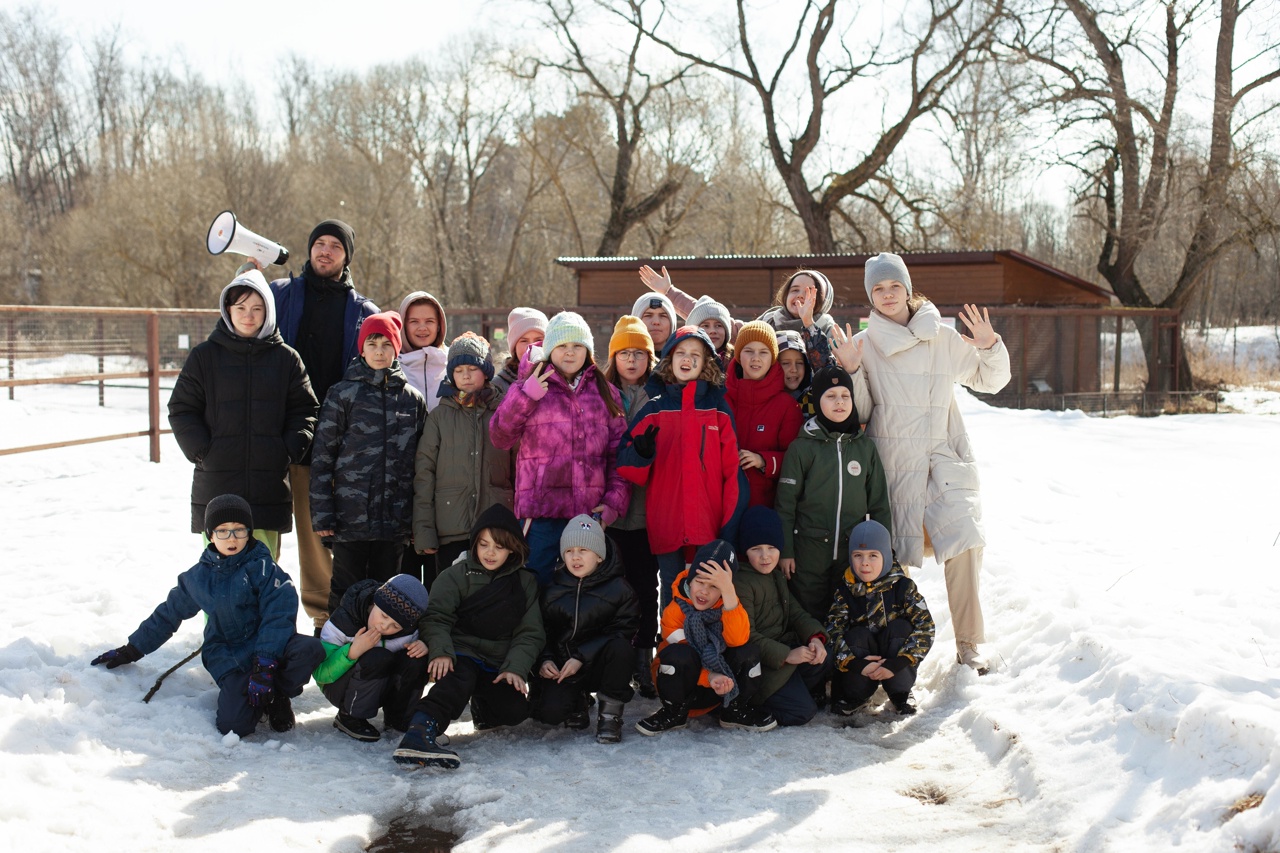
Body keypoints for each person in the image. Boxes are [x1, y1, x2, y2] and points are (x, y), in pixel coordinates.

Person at [843, 252, 1011, 672]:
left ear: (907, 288)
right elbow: (861, 411)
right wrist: (849, 371)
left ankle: (970, 643)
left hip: (942, 457)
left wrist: (990, 345)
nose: (887, 295)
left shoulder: (941, 335)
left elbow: (990, 380)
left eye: (894, 286)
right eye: (878, 289)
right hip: (894, 465)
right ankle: (892, 656)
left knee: (965, 540)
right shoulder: (864, 345)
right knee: (892, 562)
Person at [91, 495, 324, 736]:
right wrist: (132, 649)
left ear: (249, 533)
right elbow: (168, 614)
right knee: (234, 726)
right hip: (229, 654)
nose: (231, 538)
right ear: (210, 535)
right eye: (223, 531)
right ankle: (253, 698)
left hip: (270, 649)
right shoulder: (199, 578)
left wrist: (265, 664)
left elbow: (278, 617)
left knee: (310, 649)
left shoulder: (266, 570)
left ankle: (277, 695)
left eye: (239, 530)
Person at [265, 219, 379, 631]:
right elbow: (239, 314)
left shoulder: (362, 312)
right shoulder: (281, 295)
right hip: (274, 436)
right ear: (309, 249)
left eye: (335, 245)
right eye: (319, 243)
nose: (325, 251)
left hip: (328, 443)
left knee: (318, 539)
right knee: (265, 532)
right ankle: (261, 615)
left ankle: (324, 618)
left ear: (347, 256)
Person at [168, 268, 318, 558]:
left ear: (268, 311)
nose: (248, 315)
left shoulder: (286, 359)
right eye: (241, 307)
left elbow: (306, 409)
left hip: (268, 488)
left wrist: (287, 450)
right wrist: (202, 451)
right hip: (217, 487)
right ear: (228, 309)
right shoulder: (204, 356)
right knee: (219, 578)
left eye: (257, 308)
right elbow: (181, 408)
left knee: (263, 576)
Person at [393, 504, 544, 769]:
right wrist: (440, 650)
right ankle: (419, 731)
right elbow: (436, 616)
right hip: (460, 652)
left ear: (512, 548)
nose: (490, 552)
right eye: (484, 544)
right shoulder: (455, 575)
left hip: (496, 661)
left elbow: (530, 633)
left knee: (514, 710)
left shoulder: (525, 582)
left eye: (498, 546)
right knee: (457, 680)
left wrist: (515, 669)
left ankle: (483, 709)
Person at [489, 311, 630, 587]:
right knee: (535, 588)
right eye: (562, 346)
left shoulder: (606, 392)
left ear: (587, 350)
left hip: (589, 514)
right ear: (550, 348)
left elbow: (619, 455)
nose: (569, 353)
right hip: (541, 515)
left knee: (584, 594)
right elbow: (499, 437)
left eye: (577, 346)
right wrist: (525, 396)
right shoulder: (530, 385)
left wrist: (613, 503)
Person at [310, 312, 428, 616]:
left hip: (394, 521)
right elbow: (323, 457)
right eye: (372, 343)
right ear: (361, 349)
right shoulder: (342, 394)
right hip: (350, 520)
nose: (379, 351)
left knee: (387, 595)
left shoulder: (412, 400)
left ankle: (382, 657)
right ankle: (339, 653)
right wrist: (323, 516)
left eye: (386, 344)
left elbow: (421, 464)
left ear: (396, 349)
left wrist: (416, 520)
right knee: (347, 592)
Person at [617, 326, 742, 610]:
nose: (687, 359)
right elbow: (625, 463)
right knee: (673, 590)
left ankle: (704, 652)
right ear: (670, 360)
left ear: (706, 362)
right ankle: (670, 648)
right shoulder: (655, 409)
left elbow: (732, 472)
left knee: (707, 591)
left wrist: (728, 525)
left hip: (708, 521)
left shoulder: (718, 410)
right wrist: (641, 453)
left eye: (695, 355)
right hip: (667, 521)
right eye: (681, 353)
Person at [776, 365, 892, 623]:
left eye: (845, 395)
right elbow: (785, 505)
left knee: (850, 615)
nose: (839, 402)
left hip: (853, 551)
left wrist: (883, 551)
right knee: (808, 615)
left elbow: (879, 504)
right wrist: (786, 550)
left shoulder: (865, 448)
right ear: (818, 401)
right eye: (830, 396)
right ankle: (812, 662)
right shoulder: (802, 447)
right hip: (809, 552)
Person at [635, 541, 776, 736]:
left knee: (748, 651)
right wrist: (710, 677)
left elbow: (737, 640)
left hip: (722, 690)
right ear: (690, 580)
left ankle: (733, 711)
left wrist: (729, 595)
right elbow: (686, 656)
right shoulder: (675, 612)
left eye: (715, 586)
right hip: (684, 687)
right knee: (678, 654)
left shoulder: (729, 606)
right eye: (700, 582)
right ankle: (673, 712)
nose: (704, 591)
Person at [413, 332, 514, 588]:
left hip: (494, 525)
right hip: (451, 528)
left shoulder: (503, 413)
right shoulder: (439, 417)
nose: (466, 375)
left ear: (487, 372)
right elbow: (425, 473)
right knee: (449, 595)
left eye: (473, 368)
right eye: (458, 370)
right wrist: (424, 531)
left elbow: (518, 466)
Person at [531, 515, 640, 744]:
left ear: (599, 556)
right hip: (565, 668)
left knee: (622, 649)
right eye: (569, 550)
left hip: (601, 665)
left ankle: (610, 714)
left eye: (584, 550)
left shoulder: (620, 589)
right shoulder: (551, 589)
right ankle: (577, 702)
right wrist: (545, 660)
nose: (576, 556)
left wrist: (582, 656)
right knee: (550, 714)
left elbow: (624, 630)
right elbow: (542, 631)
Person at [602, 316, 660, 699]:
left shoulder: (658, 393)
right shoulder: (601, 393)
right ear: (614, 357)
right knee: (612, 587)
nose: (632, 360)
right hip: (608, 508)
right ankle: (615, 660)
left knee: (645, 587)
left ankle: (644, 657)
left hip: (648, 510)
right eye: (625, 353)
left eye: (640, 353)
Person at [826, 519, 935, 716]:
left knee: (901, 629)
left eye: (873, 555)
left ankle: (900, 693)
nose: (864, 562)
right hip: (862, 666)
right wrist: (855, 664)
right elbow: (833, 631)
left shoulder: (903, 587)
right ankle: (856, 696)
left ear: (885, 555)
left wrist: (898, 663)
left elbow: (926, 626)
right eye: (858, 555)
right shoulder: (845, 591)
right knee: (856, 635)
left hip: (894, 661)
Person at [734, 506, 830, 726]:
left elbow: (796, 613)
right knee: (802, 713)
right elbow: (746, 636)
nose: (765, 556)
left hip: (783, 654)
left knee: (825, 656)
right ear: (746, 551)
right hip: (763, 666)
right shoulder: (742, 582)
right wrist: (787, 655)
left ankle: (796, 691)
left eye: (771, 548)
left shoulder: (775, 575)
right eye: (756, 549)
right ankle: (752, 706)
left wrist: (815, 637)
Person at [314, 574, 430, 741]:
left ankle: (399, 717)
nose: (384, 626)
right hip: (340, 687)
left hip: (381, 685)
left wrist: (424, 645)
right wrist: (352, 652)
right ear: (374, 602)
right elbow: (320, 674)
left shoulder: (409, 632)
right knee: (376, 657)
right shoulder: (342, 622)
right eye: (383, 616)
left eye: (395, 626)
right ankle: (350, 717)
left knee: (416, 659)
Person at [723, 321, 803, 509]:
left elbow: (797, 459)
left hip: (765, 507)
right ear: (738, 356)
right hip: (722, 505)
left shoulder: (787, 406)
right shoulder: (721, 399)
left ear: (773, 359)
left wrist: (763, 461)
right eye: (749, 351)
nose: (756, 358)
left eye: (763, 352)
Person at [397, 292, 448, 410]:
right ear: (403, 325)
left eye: (429, 321)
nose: (422, 328)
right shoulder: (390, 366)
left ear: (439, 325)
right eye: (414, 321)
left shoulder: (455, 363)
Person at [493, 307, 547, 394]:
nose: (531, 346)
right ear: (514, 347)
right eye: (524, 341)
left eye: (538, 340)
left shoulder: (560, 377)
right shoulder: (498, 386)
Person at [685, 295, 735, 370]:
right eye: (705, 326)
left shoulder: (737, 362)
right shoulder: (683, 360)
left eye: (718, 325)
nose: (713, 331)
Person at [631, 290, 679, 354]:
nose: (656, 322)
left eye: (663, 316)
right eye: (648, 315)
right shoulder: (621, 360)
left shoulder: (683, 360)